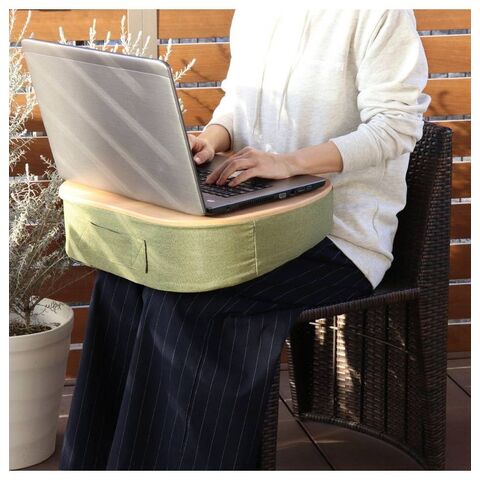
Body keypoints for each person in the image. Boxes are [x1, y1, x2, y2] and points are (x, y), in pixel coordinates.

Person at [60, 8, 430, 470]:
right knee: (122, 278)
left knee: (185, 299)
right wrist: (212, 140)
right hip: (253, 220)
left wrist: (288, 163)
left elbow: (396, 127)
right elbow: (236, 104)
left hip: (338, 235)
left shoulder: (379, 13)